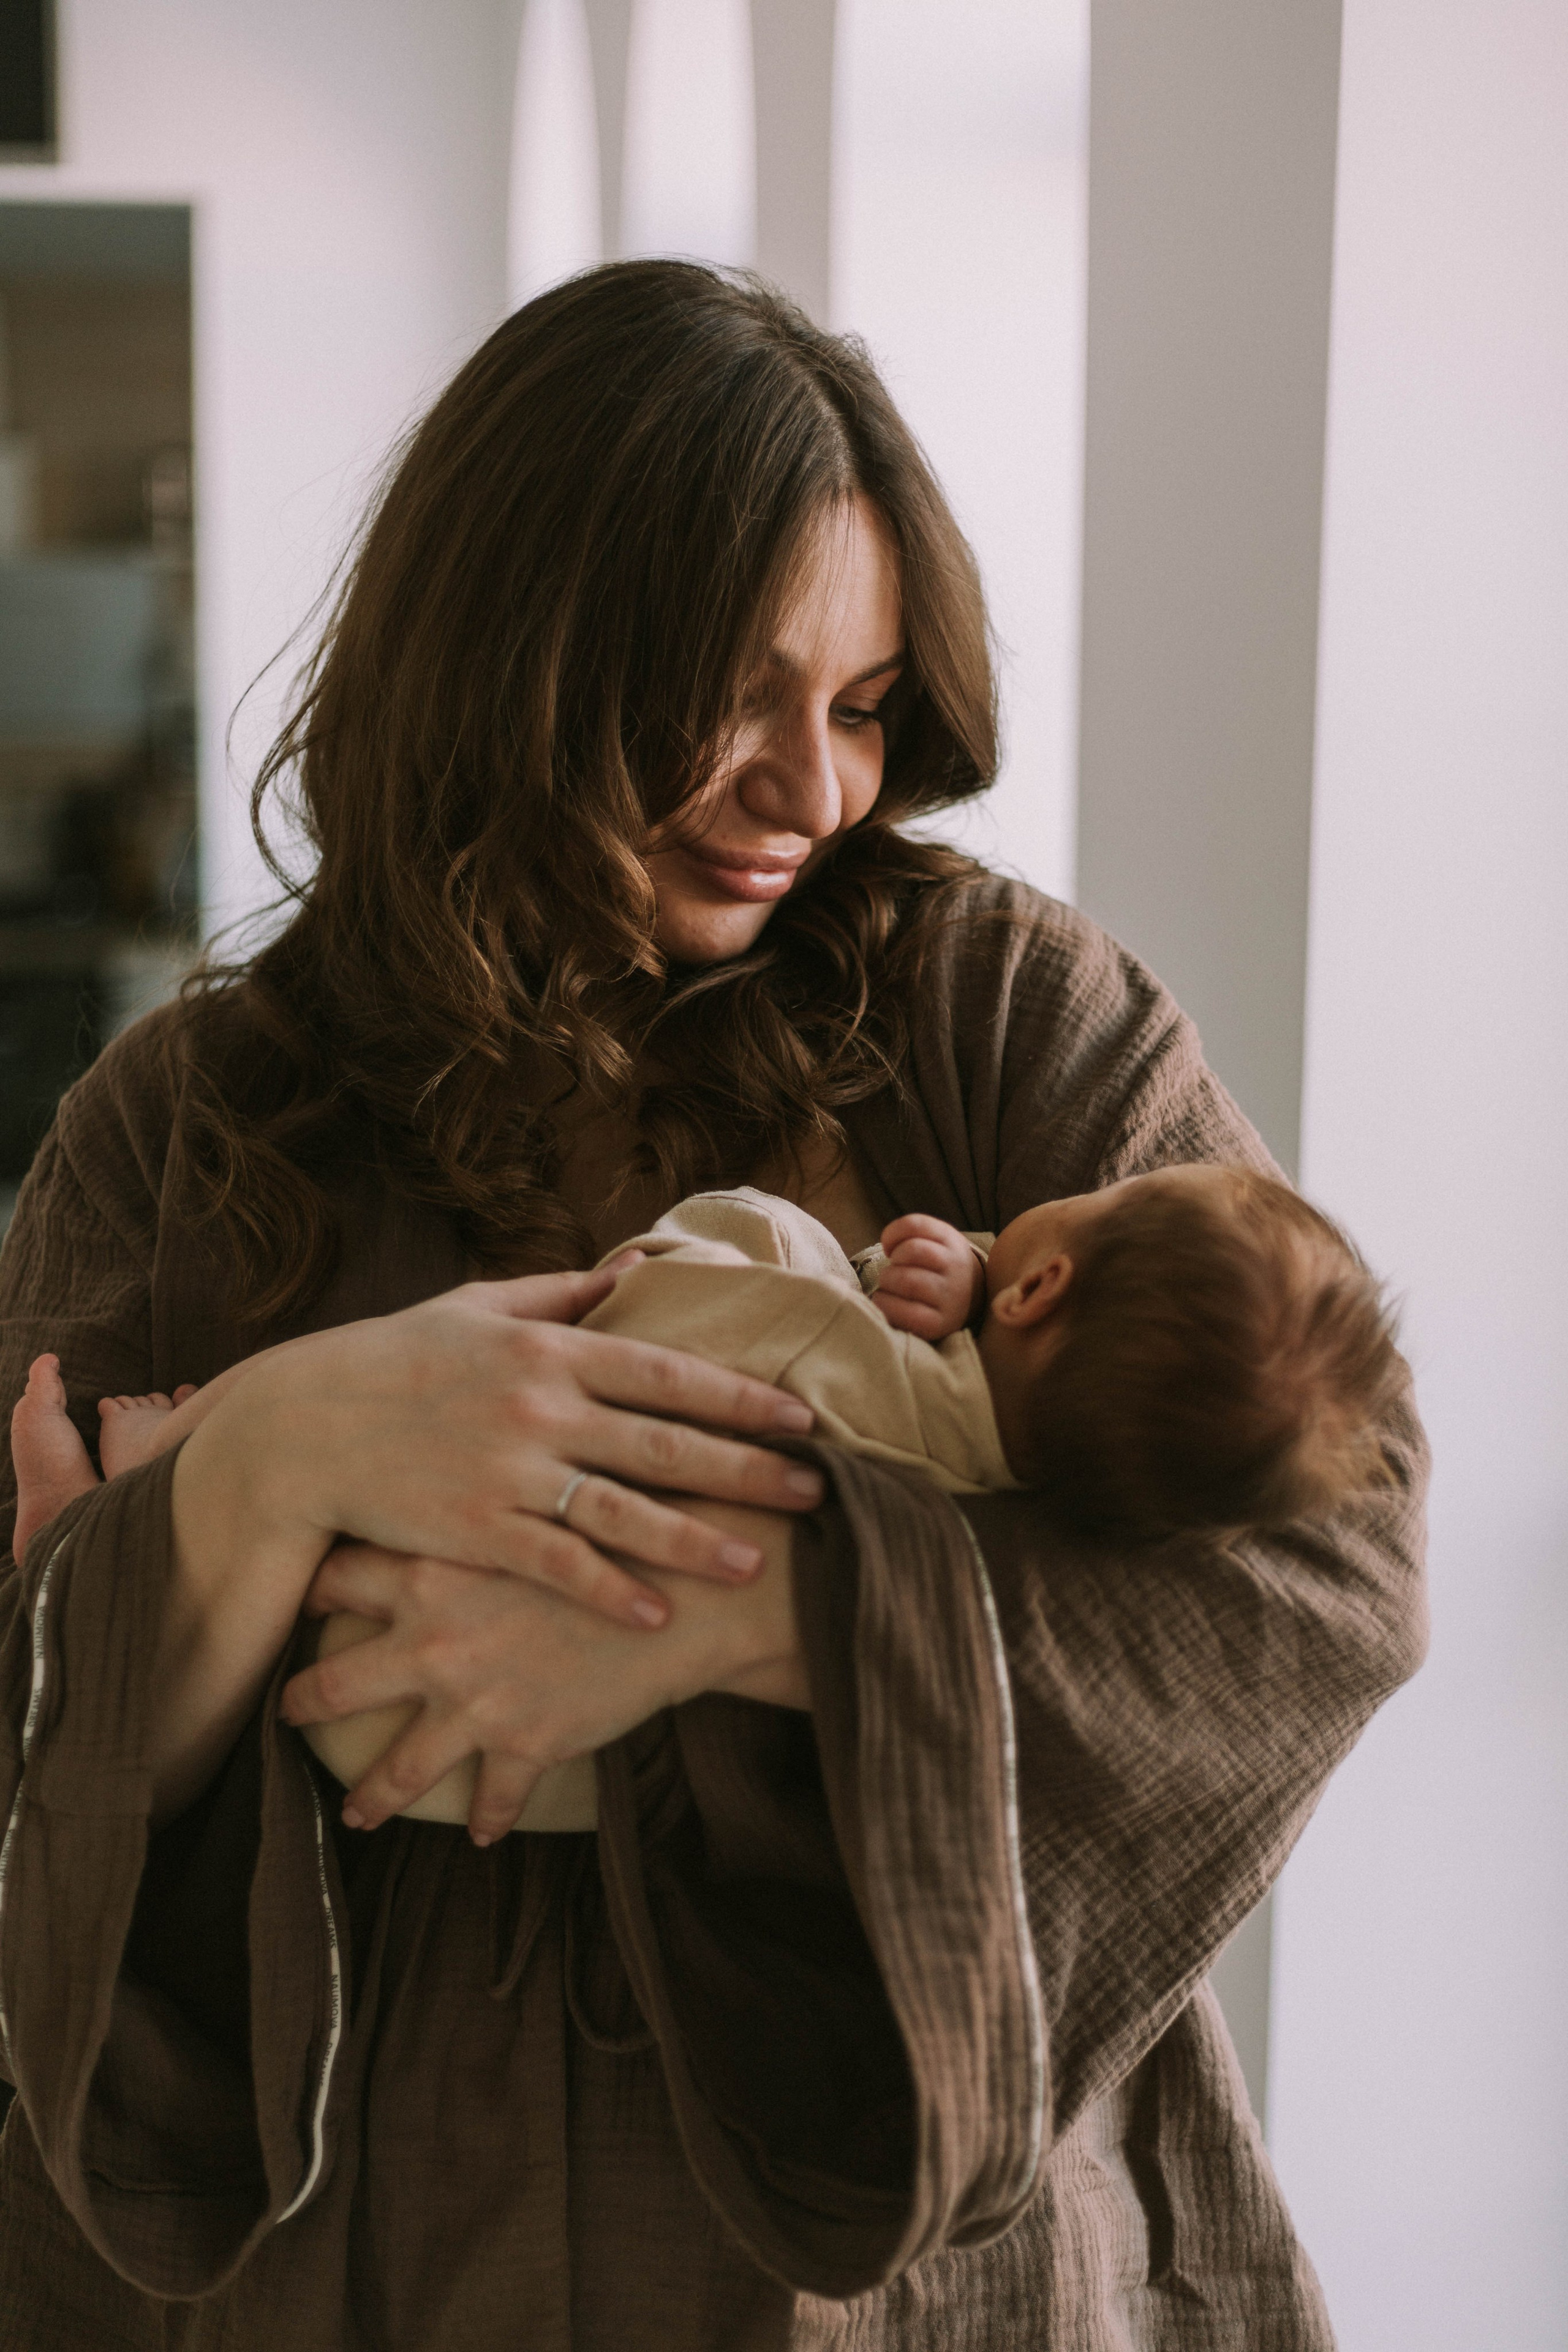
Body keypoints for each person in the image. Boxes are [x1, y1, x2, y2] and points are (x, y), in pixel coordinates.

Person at [0, 262, 1428, 2350]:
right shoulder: (186, 1123)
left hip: (915, 2282)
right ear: (510, 658)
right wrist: (277, 1465)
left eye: (858, 709)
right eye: (727, 695)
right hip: (381, 2258)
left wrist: (777, 1619)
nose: (813, 792)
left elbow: (1330, 1560)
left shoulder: (1008, 1016)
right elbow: (34, 1730)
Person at [10, 1163, 1404, 1837]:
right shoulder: (1033, 1487)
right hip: (544, 1790)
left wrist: (842, 1270)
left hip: (386, 1666)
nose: (805, 781)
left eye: (861, 711)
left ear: (1038, 1288)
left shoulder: (818, 1339)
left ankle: (143, 1486)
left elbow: (655, 1300)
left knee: (367, 1396)